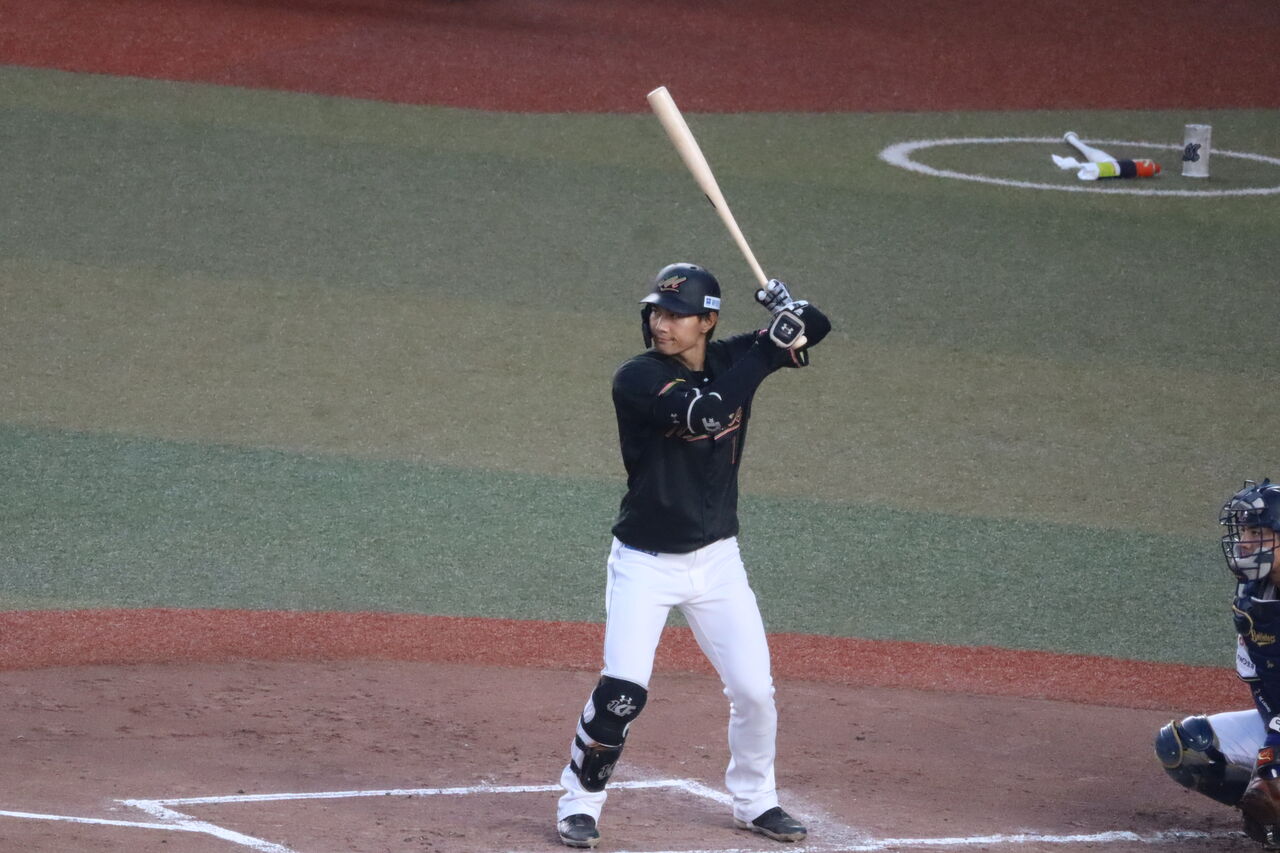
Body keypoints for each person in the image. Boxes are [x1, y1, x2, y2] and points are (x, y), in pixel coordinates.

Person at [553, 262, 831, 849]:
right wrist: (771, 346)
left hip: (719, 563)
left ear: (707, 322)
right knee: (622, 694)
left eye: (677, 314)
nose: (662, 323)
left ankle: (756, 801)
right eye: (657, 311)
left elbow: (818, 326)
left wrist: (791, 311)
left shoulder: (732, 357)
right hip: (645, 563)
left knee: (754, 693)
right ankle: (579, 803)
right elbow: (708, 412)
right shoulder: (637, 377)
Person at [1155, 478, 1280, 847]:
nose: (1244, 542)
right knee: (1187, 746)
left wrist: (1273, 759)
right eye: (1245, 531)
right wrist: (1271, 755)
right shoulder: (1253, 598)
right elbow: (1264, 686)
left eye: (1257, 532)